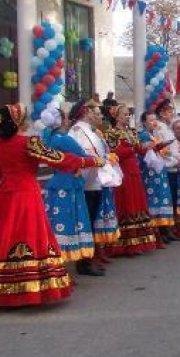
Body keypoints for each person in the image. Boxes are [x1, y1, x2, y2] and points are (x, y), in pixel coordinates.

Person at [0, 104, 101, 307]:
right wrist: (89, 162)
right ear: (19, 121)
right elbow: (57, 159)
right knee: (30, 236)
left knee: (6, 236)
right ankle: (31, 286)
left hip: (5, 196)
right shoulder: (28, 142)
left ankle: (3, 288)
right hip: (26, 195)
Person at [68, 99, 119, 276]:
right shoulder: (78, 131)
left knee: (91, 221)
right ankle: (84, 262)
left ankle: (89, 258)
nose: (100, 117)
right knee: (87, 222)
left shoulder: (91, 131)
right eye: (96, 113)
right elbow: (85, 155)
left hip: (94, 181)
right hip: (86, 183)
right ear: (86, 113)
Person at [41, 108, 96, 263]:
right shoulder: (63, 139)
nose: (68, 120)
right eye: (65, 118)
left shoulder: (49, 137)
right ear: (62, 121)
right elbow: (84, 156)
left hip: (57, 181)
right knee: (69, 221)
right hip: (69, 183)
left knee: (57, 220)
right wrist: (100, 159)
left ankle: (56, 259)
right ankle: (63, 259)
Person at [103, 104, 160, 255]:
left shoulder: (132, 131)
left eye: (128, 114)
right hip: (122, 171)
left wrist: (147, 146)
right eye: (124, 114)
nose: (127, 116)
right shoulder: (111, 133)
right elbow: (116, 152)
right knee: (126, 203)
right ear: (116, 116)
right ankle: (124, 244)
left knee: (136, 203)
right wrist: (135, 148)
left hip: (134, 170)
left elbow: (138, 149)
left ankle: (138, 241)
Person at [138, 112, 177, 241]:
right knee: (155, 199)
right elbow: (146, 153)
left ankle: (165, 229)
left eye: (155, 119)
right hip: (150, 173)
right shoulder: (143, 135)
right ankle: (158, 231)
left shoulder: (154, 134)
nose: (154, 122)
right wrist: (158, 146)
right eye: (150, 120)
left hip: (159, 171)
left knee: (162, 199)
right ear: (144, 122)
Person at [155, 100, 180, 240]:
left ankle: (171, 228)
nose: (171, 114)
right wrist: (174, 161)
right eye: (169, 111)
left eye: (171, 111)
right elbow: (163, 150)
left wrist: (179, 161)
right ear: (162, 113)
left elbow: (174, 150)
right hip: (167, 169)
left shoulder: (168, 128)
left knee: (173, 199)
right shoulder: (159, 129)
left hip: (174, 167)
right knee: (167, 200)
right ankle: (165, 230)